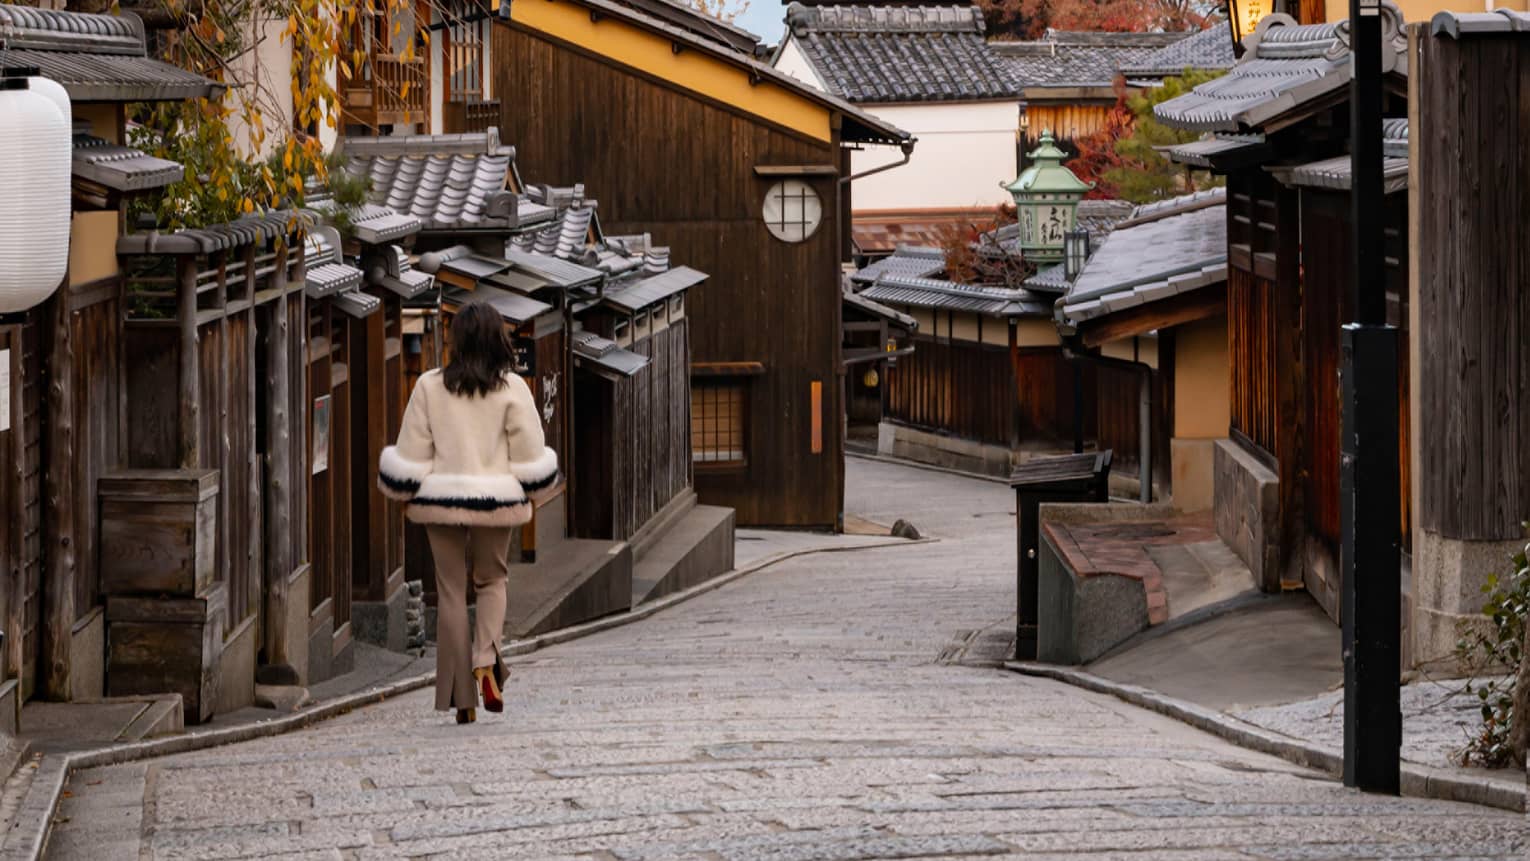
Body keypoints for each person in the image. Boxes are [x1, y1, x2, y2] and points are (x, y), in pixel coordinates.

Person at [377, 302, 559, 724]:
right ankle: (484, 660)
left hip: (439, 501)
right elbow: (530, 454)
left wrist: (405, 491)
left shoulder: (428, 386)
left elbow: (412, 451)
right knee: (493, 579)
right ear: (498, 339)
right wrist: (531, 492)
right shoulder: (512, 388)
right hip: (496, 501)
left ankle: (462, 698)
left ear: (456, 340)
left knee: (452, 590)